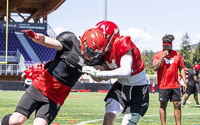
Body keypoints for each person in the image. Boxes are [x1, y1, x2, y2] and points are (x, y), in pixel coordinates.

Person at [0, 28, 107, 125]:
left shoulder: (94, 59)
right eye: (91, 52)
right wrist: (36, 37)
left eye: (96, 54)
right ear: (84, 42)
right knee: (16, 120)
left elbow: (101, 76)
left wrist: (95, 73)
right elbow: (47, 40)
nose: (92, 56)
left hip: (56, 97)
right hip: (41, 87)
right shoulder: (71, 42)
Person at [82, 21, 149, 125]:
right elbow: (102, 77)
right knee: (108, 117)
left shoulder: (122, 42)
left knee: (127, 123)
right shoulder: (102, 53)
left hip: (139, 87)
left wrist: (98, 74)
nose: (99, 39)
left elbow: (126, 71)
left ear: (110, 37)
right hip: (121, 86)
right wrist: (90, 71)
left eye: (101, 36)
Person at [152, 34, 187, 125]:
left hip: (175, 84)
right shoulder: (158, 55)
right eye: (164, 46)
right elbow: (154, 68)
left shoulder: (177, 54)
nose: (166, 48)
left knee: (177, 104)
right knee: (163, 105)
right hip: (163, 85)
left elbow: (181, 68)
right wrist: (162, 57)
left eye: (168, 46)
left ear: (171, 45)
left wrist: (184, 82)